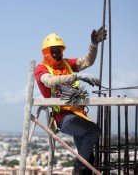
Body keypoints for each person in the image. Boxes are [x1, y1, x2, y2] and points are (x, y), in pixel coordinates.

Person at [35, 27, 107, 175]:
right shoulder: (41, 69)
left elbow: (87, 61)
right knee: (93, 131)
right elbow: (50, 81)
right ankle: (78, 167)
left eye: (58, 50)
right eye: (53, 51)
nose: (56, 54)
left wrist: (93, 44)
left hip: (78, 115)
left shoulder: (67, 64)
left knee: (89, 157)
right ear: (46, 53)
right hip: (63, 118)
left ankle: (82, 169)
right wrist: (77, 76)